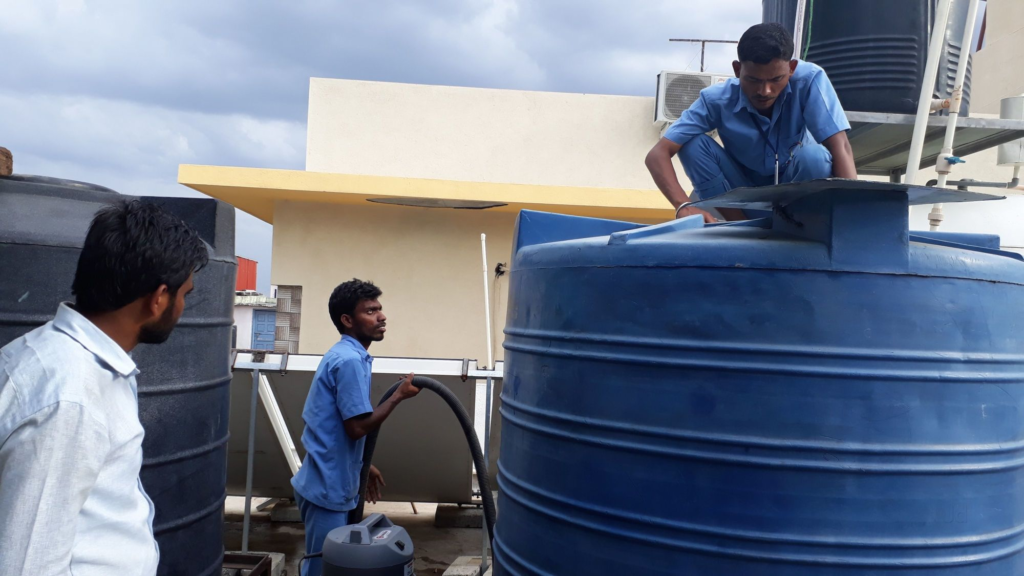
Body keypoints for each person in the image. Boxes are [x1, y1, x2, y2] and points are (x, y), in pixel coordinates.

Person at [0, 200, 209, 576]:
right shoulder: (70, 399)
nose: (182, 306)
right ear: (159, 298)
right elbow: (28, 564)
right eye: (184, 294)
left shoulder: (66, 360)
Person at [646, 22, 857, 222]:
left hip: (797, 196)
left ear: (792, 68)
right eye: (754, 80)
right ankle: (740, 227)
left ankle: (802, 225)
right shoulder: (715, 99)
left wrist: (853, 214)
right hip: (742, 200)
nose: (764, 91)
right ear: (737, 70)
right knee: (691, 144)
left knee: (815, 156)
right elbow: (657, 154)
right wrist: (683, 205)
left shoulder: (810, 80)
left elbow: (841, 146)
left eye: (776, 80)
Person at [291, 279, 420, 576]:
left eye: (380, 309)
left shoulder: (353, 356)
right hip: (327, 489)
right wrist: (398, 396)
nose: (382, 316)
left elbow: (339, 426)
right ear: (347, 320)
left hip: (331, 480)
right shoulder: (349, 360)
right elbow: (357, 428)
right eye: (371, 311)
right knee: (322, 568)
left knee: (336, 564)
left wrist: (363, 464)